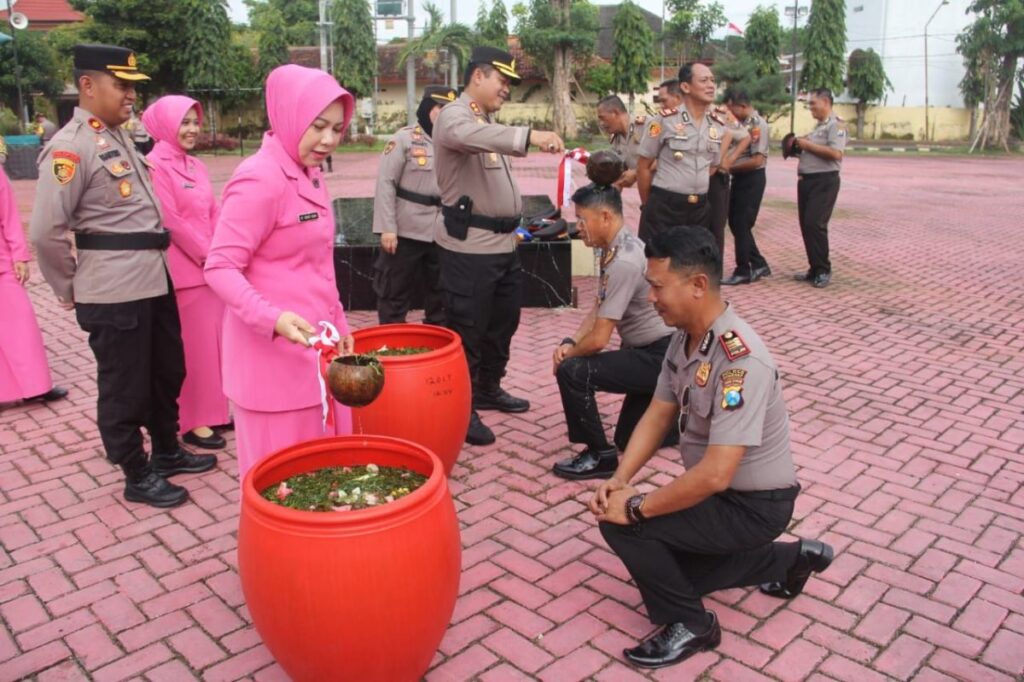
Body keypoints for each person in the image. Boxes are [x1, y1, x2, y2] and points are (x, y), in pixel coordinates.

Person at [591, 225, 834, 670]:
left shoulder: (740, 361)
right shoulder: (683, 337)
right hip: (720, 497)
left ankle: (693, 625)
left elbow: (716, 473)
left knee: (625, 526)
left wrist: (637, 506)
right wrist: (620, 478)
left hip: (753, 506)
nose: (651, 298)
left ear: (698, 285)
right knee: (681, 570)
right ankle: (797, 559)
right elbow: (659, 412)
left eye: (659, 286)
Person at [30, 44, 215, 509]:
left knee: (165, 371)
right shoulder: (71, 148)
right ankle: (136, 472)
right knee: (124, 385)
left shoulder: (117, 139)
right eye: (122, 85)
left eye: (134, 86)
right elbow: (46, 232)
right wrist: (70, 287)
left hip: (154, 280)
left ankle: (168, 450)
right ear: (88, 86)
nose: (132, 95)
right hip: (113, 290)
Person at [205, 64, 356, 482]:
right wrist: (270, 318)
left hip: (315, 355)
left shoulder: (308, 173)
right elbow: (219, 266)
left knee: (323, 481)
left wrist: (338, 320)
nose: (328, 140)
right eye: (318, 126)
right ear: (289, 117)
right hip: (272, 365)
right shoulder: (259, 179)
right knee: (285, 489)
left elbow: (317, 263)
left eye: (337, 129)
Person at [432, 46, 565, 446]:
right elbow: (462, 134)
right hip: (469, 249)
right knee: (468, 331)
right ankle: (463, 406)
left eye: (509, 83)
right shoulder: (457, 116)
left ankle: (489, 387)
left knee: (503, 323)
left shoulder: (485, 120)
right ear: (477, 77)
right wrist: (530, 135)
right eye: (502, 80)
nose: (506, 89)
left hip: (504, 246)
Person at [551, 178, 675, 480]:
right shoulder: (617, 247)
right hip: (651, 354)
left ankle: (599, 456)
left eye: (583, 219)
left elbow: (599, 340)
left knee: (573, 371)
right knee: (628, 438)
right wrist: (571, 339)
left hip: (659, 357)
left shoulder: (624, 260)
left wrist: (569, 357)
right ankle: (679, 413)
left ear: (605, 217)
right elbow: (599, 307)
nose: (578, 227)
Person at [143, 96, 230, 450]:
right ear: (164, 125)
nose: (193, 129)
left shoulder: (196, 165)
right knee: (193, 350)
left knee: (214, 346)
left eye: (196, 121)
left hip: (211, 268)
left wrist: (224, 249)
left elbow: (214, 210)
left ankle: (215, 411)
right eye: (185, 122)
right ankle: (192, 420)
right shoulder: (153, 166)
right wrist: (208, 255)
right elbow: (169, 220)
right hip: (185, 272)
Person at [371, 85, 456, 326]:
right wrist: (387, 228)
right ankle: (392, 340)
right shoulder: (403, 139)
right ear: (428, 108)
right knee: (393, 291)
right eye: (440, 108)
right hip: (405, 229)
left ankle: (436, 344)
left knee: (440, 293)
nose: (444, 114)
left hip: (442, 231)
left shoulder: (454, 143)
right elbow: (386, 184)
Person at [636, 63, 733, 244]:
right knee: (659, 261)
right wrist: (648, 205)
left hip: (699, 208)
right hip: (665, 206)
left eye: (713, 80)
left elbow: (711, 166)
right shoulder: (663, 121)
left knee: (692, 264)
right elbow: (643, 166)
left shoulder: (717, 125)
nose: (711, 85)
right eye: (704, 80)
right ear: (685, 87)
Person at [0, 164, 68, 406]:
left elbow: (8, 216)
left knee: (21, 325)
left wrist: (19, 255)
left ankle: (36, 386)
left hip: (3, 263)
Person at [794, 88, 846, 289]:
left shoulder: (836, 125)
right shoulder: (819, 127)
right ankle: (814, 268)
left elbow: (836, 153)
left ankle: (823, 269)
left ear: (825, 102)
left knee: (815, 224)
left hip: (824, 182)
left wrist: (806, 145)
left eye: (813, 104)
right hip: (807, 181)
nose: (810, 108)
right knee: (806, 225)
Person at [722, 89, 772, 286]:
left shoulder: (757, 125)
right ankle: (759, 263)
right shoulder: (741, 125)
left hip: (752, 178)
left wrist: (728, 167)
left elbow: (757, 160)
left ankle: (743, 269)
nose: (730, 113)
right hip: (740, 178)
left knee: (741, 223)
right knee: (735, 222)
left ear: (742, 106)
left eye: (732, 109)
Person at [596, 95, 646, 190]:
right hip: (646, 192)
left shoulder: (646, 126)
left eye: (602, 118)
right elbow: (618, 175)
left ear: (615, 112)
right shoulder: (616, 138)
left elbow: (666, 157)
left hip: (666, 190)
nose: (601, 123)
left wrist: (636, 172)